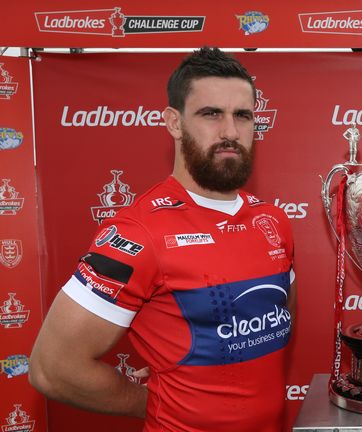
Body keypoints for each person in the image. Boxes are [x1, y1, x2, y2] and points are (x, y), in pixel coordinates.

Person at [29, 47, 296, 432]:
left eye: (243, 115)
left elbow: (275, 325)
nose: (230, 132)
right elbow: (52, 369)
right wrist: (155, 403)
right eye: (210, 114)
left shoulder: (274, 221)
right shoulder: (137, 234)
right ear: (174, 122)